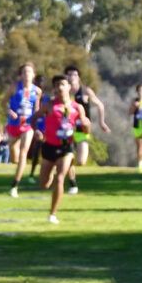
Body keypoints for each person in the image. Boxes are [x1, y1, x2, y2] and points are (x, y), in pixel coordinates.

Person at [33, 74, 89, 224]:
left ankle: (52, 214)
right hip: (49, 146)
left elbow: (86, 130)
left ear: (69, 87)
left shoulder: (77, 108)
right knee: (44, 184)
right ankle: (51, 178)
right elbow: (34, 118)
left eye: (63, 84)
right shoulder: (49, 105)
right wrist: (37, 131)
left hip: (66, 147)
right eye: (57, 85)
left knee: (60, 178)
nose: (60, 88)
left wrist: (85, 124)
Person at [65, 65, 110, 194]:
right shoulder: (64, 92)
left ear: (78, 77)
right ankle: (72, 183)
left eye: (74, 74)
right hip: (66, 129)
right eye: (69, 74)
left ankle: (68, 167)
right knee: (67, 155)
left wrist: (101, 122)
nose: (71, 77)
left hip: (82, 130)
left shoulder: (85, 91)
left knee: (81, 161)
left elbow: (100, 105)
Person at [5, 63, 41, 197]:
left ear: (33, 75)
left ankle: (15, 185)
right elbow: (4, 102)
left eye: (29, 72)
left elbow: (36, 109)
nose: (27, 75)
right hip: (14, 125)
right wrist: (9, 111)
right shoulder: (14, 88)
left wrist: (37, 126)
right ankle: (17, 170)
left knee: (23, 153)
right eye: (24, 72)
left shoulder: (37, 91)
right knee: (14, 156)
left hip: (27, 125)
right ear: (20, 75)